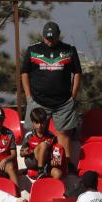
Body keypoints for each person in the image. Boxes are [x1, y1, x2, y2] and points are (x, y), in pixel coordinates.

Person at [21, 20, 82, 160]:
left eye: (52, 38)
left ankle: (65, 164)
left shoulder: (69, 49)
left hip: (64, 102)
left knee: (63, 134)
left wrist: (73, 96)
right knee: (36, 133)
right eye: (47, 38)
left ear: (58, 35)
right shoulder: (33, 50)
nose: (50, 41)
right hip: (38, 100)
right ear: (42, 36)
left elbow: (77, 73)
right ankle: (38, 167)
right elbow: (24, 73)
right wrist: (28, 96)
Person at [19, 106, 65, 180]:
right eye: (37, 123)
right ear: (33, 123)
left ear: (45, 122)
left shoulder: (51, 136)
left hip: (46, 165)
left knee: (58, 173)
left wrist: (55, 161)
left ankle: (49, 190)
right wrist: (28, 152)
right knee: (43, 144)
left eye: (42, 123)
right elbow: (21, 153)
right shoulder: (29, 136)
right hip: (32, 162)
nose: (40, 126)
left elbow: (56, 152)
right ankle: (40, 171)